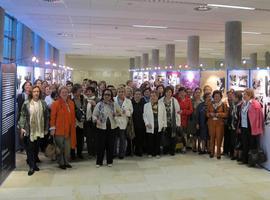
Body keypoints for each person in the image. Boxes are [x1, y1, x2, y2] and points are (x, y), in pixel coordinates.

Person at [18, 86, 49, 176]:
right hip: (29, 129)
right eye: (34, 91)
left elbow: (46, 116)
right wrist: (22, 127)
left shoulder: (43, 103)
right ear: (31, 93)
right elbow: (23, 115)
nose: (36, 93)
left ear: (40, 93)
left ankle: (33, 161)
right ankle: (32, 166)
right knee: (30, 148)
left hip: (39, 129)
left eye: (38, 91)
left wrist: (46, 128)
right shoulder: (26, 103)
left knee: (36, 147)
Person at [50, 86, 76, 170]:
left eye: (66, 92)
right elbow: (53, 117)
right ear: (59, 93)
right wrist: (52, 128)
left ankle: (66, 162)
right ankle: (61, 163)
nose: (64, 93)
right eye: (63, 92)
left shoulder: (71, 103)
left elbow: (73, 116)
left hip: (69, 129)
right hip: (59, 130)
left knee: (67, 148)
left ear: (68, 93)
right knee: (60, 148)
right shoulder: (55, 103)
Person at [92, 89, 120, 167]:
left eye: (108, 95)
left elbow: (120, 112)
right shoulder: (99, 104)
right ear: (103, 95)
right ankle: (99, 162)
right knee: (100, 145)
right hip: (101, 127)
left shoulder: (114, 104)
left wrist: (116, 114)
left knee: (110, 145)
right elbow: (94, 115)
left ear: (111, 96)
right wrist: (96, 120)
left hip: (112, 127)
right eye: (105, 94)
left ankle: (109, 161)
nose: (107, 96)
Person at [238, 89, 264, 164]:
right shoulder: (244, 103)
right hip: (244, 126)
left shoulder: (255, 103)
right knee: (245, 143)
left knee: (252, 144)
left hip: (252, 127)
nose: (243, 96)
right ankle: (245, 160)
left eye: (245, 94)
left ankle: (252, 161)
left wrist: (258, 127)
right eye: (243, 94)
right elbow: (241, 116)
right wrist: (239, 126)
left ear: (250, 95)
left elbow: (259, 117)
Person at [143, 90, 167, 158]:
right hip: (150, 126)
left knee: (158, 140)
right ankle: (150, 152)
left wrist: (164, 124)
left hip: (159, 125)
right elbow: (144, 115)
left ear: (157, 97)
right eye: (151, 96)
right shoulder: (146, 105)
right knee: (150, 140)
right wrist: (147, 123)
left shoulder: (161, 105)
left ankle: (157, 153)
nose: (152, 97)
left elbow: (164, 115)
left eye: (154, 96)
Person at [159, 86, 181, 156]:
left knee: (173, 137)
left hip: (172, 122)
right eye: (167, 92)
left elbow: (177, 112)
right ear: (165, 92)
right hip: (164, 122)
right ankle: (165, 150)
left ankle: (172, 150)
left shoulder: (174, 100)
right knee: (164, 137)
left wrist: (178, 122)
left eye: (170, 92)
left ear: (172, 93)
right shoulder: (160, 100)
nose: (169, 93)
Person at [207, 90, 228, 159]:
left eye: (218, 96)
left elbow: (226, 114)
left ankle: (218, 152)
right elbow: (206, 113)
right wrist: (210, 114)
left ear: (221, 97)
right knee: (212, 137)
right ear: (213, 97)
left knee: (219, 138)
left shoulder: (223, 104)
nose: (216, 97)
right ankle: (211, 152)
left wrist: (219, 114)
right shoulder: (210, 104)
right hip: (211, 123)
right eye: (215, 96)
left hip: (220, 123)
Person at [114, 87, 133, 159]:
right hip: (114, 122)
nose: (121, 93)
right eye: (119, 91)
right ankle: (114, 153)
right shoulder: (113, 99)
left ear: (124, 93)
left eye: (122, 92)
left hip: (123, 122)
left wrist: (126, 112)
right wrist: (115, 113)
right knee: (114, 139)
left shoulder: (128, 101)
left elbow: (131, 112)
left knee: (122, 139)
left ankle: (121, 154)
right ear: (117, 92)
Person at [72, 83, 87, 159]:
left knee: (80, 138)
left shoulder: (82, 98)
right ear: (74, 91)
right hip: (73, 121)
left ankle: (79, 153)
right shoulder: (70, 99)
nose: (80, 92)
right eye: (79, 90)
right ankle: (72, 154)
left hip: (81, 121)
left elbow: (84, 108)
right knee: (73, 138)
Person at [17, 81, 32, 151]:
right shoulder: (20, 95)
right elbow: (20, 107)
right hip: (23, 117)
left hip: (31, 117)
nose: (28, 86)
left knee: (29, 132)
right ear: (24, 86)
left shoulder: (32, 95)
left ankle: (27, 146)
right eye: (26, 85)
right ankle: (22, 147)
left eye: (29, 85)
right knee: (22, 132)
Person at [176, 87, 193, 153]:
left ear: (186, 93)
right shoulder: (176, 99)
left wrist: (183, 111)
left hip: (185, 120)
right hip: (177, 119)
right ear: (179, 92)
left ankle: (184, 147)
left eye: (184, 92)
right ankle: (178, 147)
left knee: (184, 134)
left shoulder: (188, 100)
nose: (182, 93)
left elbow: (191, 110)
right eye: (181, 92)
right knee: (178, 135)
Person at [84, 86, 99, 158]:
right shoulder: (85, 100)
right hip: (87, 121)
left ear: (93, 92)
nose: (88, 93)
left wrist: (95, 104)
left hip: (95, 121)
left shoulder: (97, 99)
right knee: (89, 138)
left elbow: (100, 109)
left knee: (96, 137)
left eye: (89, 91)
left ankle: (95, 152)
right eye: (87, 92)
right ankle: (90, 152)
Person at [132, 89, 146, 156]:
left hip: (141, 124)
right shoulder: (131, 103)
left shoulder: (144, 103)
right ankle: (133, 150)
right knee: (134, 138)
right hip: (133, 124)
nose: (137, 96)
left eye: (139, 94)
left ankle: (139, 150)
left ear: (141, 95)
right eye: (136, 94)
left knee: (140, 138)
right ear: (133, 95)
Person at [188, 87, 203, 152]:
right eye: (196, 92)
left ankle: (199, 145)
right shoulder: (191, 100)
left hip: (200, 119)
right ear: (194, 93)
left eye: (199, 92)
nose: (198, 94)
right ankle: (194, 145)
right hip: (193, 119)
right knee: (194, 133)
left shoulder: (202, 101)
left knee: (199, 133)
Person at [230, 91, 243, 161]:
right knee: (234, 140)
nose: (232, 98)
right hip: (233, 125)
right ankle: (235, 154)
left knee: (239, 141)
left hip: (238, 126)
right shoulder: (234, 105)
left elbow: (241, 118)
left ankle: (239, 156)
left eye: (233, 96)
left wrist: (240, 127)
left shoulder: (241, 105)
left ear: (237, 97)